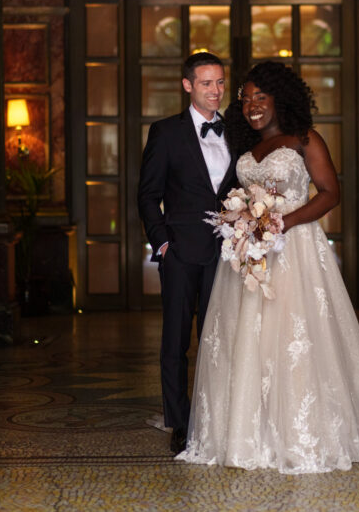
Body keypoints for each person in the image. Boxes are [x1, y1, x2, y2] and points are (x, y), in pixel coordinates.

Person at [176, 61, 359, 474]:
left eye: (261, 97)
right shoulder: (245, 146)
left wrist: (281, 222)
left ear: (280, 98)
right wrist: (241, 222)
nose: (253, 105)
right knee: (245, 340)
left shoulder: (305, 140)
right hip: (250, 256)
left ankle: (300, 431)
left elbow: (331, 194)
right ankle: (244, 431)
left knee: (293, 337)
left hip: (295, 252)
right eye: (246, 99)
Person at [137, 52, 239, 454]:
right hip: (180, 253)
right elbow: (147, 195)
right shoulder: (166, 132)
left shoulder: (237, 131)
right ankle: (179, 423)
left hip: (228, 253)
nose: (215, 91)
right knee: (175, 343)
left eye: (220, 83)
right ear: (187, 86)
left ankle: (217, 416)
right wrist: (163, 245)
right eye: (206, 83)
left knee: (220, 339)